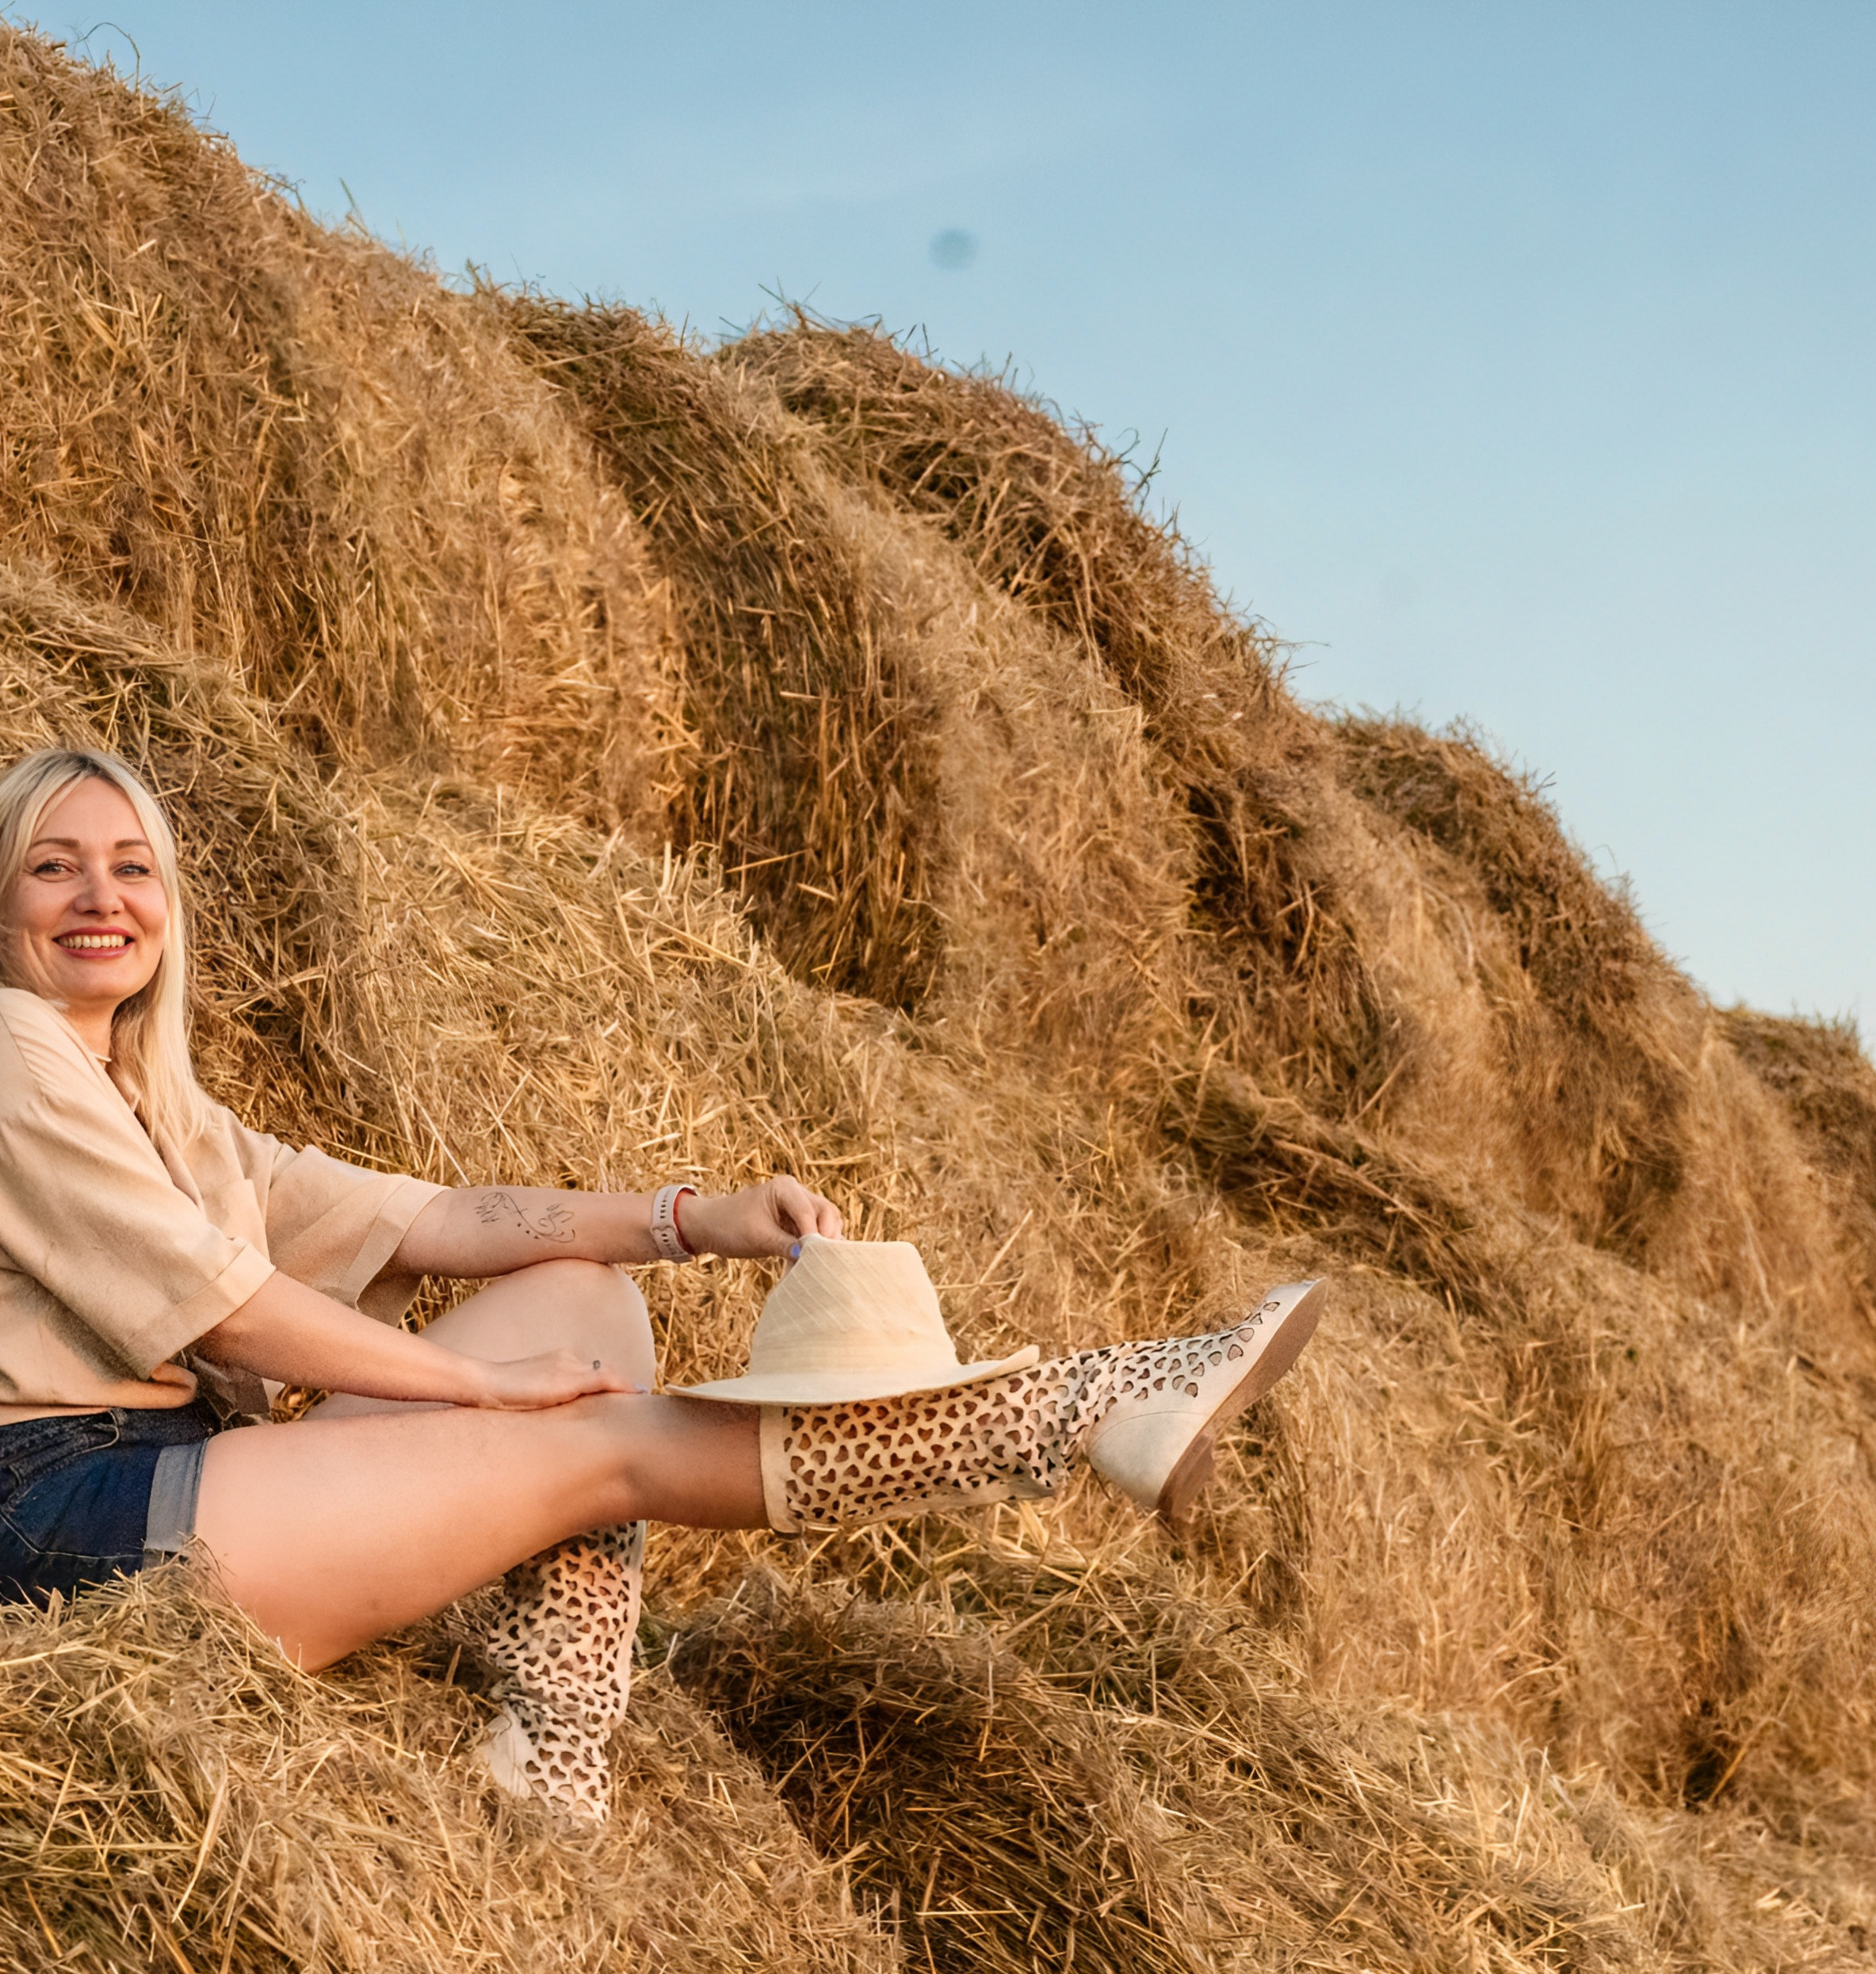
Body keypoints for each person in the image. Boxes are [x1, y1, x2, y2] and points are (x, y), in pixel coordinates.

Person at [0, 747, 1324, 1821]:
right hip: (60, 1519)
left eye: (132, 866)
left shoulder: (167, 1115)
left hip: (176, 1479)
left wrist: (694, 1220)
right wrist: (480, 1386)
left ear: (169, 904)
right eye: (53, 867)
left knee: (587, 1302)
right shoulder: (10, 1046)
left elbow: (440, 1218)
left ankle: (557, 1732)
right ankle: (1084, 1407)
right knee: (601, 1440)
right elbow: (231, 1310)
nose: (99, 896)